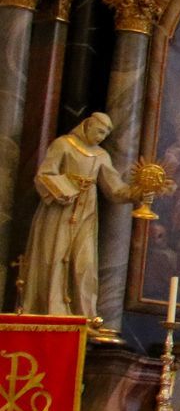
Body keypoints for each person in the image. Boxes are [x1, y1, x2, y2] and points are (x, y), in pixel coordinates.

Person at [21, 113, 135, 319]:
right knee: (53, 257)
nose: (101, 137)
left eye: (105, 134)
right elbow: (44, 175)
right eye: (99, 131)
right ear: (88, 125)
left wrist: (139, 192)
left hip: (86, 214)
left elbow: (115, 189)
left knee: (85, 264)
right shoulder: (64, 145)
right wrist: (66, 188)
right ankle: (53, 311)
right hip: (59, 211)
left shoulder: (101, 156)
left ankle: (85, 316)